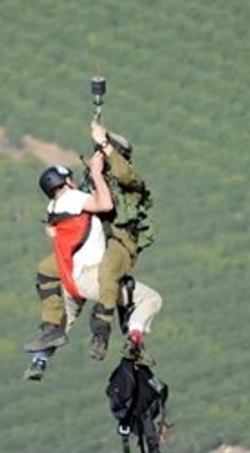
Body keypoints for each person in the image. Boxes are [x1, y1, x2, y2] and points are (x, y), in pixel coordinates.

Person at [23, 122, 162, 380]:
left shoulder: (127, 182)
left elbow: (125, 178)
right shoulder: (90, 184)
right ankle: (113, 333)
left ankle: (44, 355)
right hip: (91, 260)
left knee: (80, 296)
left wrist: (104, 148)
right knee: (144, 296)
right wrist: (98, 163)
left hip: (106, 250)